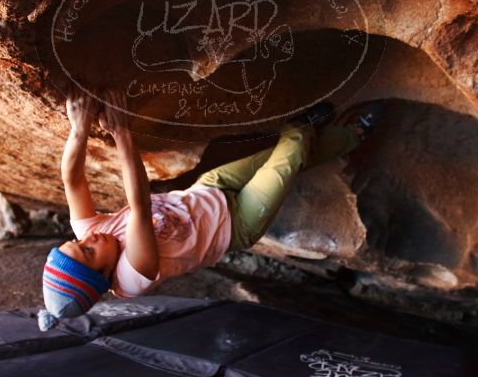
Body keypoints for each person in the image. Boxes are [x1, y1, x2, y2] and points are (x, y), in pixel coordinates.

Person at [38, 85, 384, 331]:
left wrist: (79, 128)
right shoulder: (131, 278)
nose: (92, 236)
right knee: (288, 156)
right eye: (87, 250)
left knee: (281, 159)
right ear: (100, 275)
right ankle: (305, 127)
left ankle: (344, 137)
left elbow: (73, 181)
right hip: (237, 223)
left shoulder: (93, 235)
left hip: (209, 189)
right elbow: (140, 207)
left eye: (78, 241)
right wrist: (122, 133)